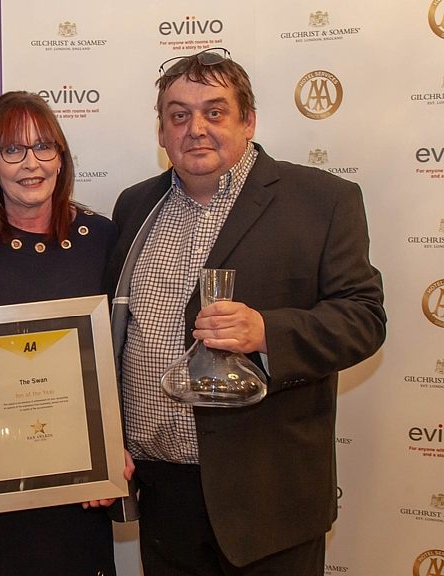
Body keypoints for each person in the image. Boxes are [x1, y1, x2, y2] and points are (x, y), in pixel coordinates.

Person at [110, 48, 386, 575]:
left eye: (214, 112)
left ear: (249, 120)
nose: (196, 129)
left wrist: (267, 332)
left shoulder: (322, 200)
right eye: (178, 115)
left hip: (267, 499)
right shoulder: (134, 205)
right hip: (164, 494)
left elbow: (365, 318)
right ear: (162, 131)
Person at [0, 91, 122, 576]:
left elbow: (119, 358)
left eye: (44, 147)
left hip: (78, 488)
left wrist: (110, 449)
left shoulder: (101, 239)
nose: (30, 164)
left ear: (61, 157)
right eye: (12, 150)